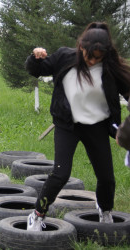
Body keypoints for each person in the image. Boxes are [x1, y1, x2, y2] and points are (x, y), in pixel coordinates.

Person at [25, 22, 130, 231]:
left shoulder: (112, 68)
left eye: (97, 58)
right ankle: (37, 214)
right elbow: (37, 69)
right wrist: (35, 56)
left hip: (98, 126)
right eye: (89, 55)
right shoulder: (65, 57)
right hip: (67, 125)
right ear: (81, 46)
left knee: (107, 177)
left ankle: (105, 210)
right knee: (60, 174)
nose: (92, 61)